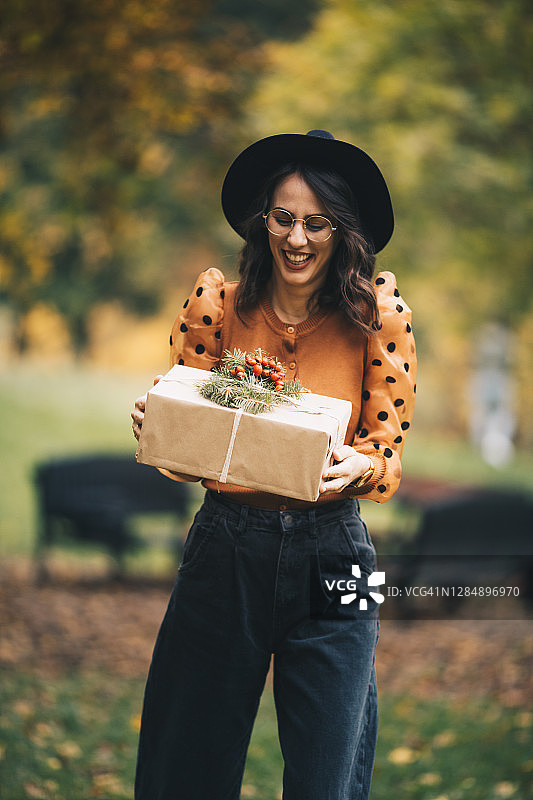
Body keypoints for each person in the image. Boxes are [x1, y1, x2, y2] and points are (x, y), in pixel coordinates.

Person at [131, 129, 416, 800]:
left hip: (339, 550)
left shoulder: (379, 319)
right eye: (284, 218)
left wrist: (359, 468)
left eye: (317, 223)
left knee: (329, 777)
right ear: (264, 220)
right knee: (185, 770)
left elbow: (386, 450)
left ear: (342, 231)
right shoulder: (217, 307)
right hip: (223, 547)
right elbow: (189, 435)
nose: (297, 238)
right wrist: (161, 427)